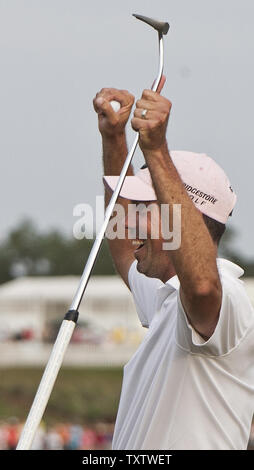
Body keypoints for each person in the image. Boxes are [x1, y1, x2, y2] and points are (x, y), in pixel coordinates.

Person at [93, 77, 254, 450]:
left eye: (145, 210)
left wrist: (157, 150)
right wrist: (115, 141)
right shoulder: (168, 295)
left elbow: (202, 286)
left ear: (184, 219)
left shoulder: (225, 295)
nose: (131, 222)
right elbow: (121, 249)